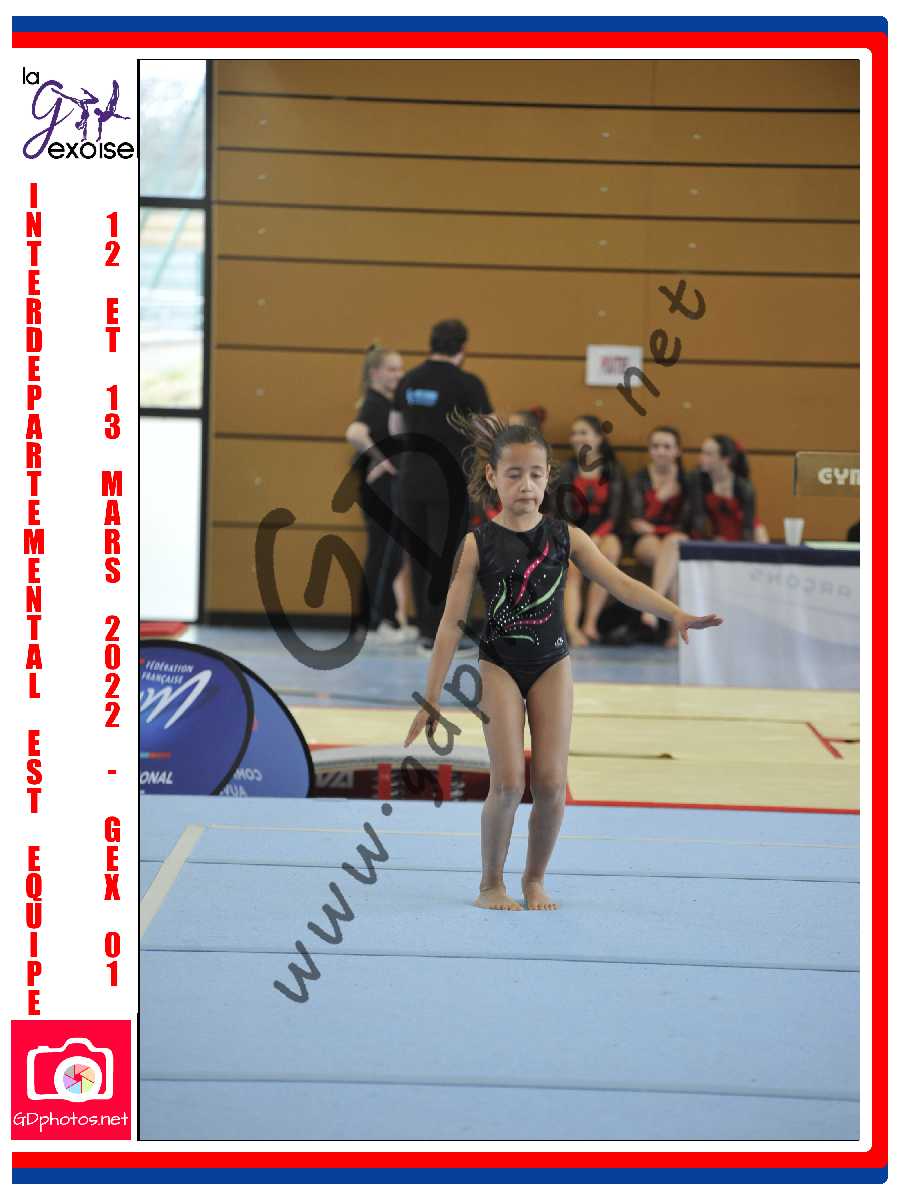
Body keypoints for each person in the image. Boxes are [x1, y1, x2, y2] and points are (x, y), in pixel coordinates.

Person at [403, 413, 723, 911]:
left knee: (551, 784)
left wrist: (674, 613)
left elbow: (621, 584)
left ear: (549, 476)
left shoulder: (565, 536)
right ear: (492, 476)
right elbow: (449, 624)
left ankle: (534, 879)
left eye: (535, 474)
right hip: (499, 666)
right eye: (513, 475)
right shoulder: (477, 543)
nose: (526, 485)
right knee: (508, 782)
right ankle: (491, 884)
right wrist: (431, 697)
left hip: (551, 664)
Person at [388, 319, 493, 654]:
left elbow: (395, 427)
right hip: (449, 480)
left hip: (411, 478)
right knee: (448, 557)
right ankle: (444, 634)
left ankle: (425, 631)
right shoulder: (468, 384)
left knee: (419, 554)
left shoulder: (408, 381)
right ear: (463, 347)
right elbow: (487, 430)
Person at [343, 344, 417, 643]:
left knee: (391, 553)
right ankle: (372, 624)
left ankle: (386, 620)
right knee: (383, 552)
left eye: (401, 368)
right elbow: (354, 433)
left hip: (387, 487)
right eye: (392, 369)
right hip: (380, 489)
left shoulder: (385, 401)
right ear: (375, 373)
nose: (399, 374)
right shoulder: (374, 403)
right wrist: (382, 459)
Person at [556, 415, 626, 646]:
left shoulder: (612, 470)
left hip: (604, 531)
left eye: (583, 432)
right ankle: (572, 628)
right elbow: (563, 512)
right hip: (573, 530)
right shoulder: (567, 469)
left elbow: (615, 513)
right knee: (573, 568)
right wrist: (582, 538)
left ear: (599, 438)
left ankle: (591, 623)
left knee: (611, 552)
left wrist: (599, 535)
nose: (577, 438)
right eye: (574, 433)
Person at [629, 426, 690, 648]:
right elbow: (636, 521)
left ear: (677, 451)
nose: (660, 451)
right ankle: (676, 633)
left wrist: (656, 528)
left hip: (676, 538)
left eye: (667, 446)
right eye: (655, 446)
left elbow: (689, 522)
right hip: (649, 541)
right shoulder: (639, 478)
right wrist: (661, 498)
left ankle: (652, 610)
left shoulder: (686, 480)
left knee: (673, 545)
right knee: (671, 561)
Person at [685, 435, 770, 544]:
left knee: (760, 532)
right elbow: (698, 518)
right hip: (712, 533)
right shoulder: (696, 479)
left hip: (740, 529)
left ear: (726, 460)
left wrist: (743, 547)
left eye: (708, 454)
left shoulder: (744, 487)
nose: (701, 458)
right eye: (702, 452)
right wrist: (710, 540)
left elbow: (748, 526)